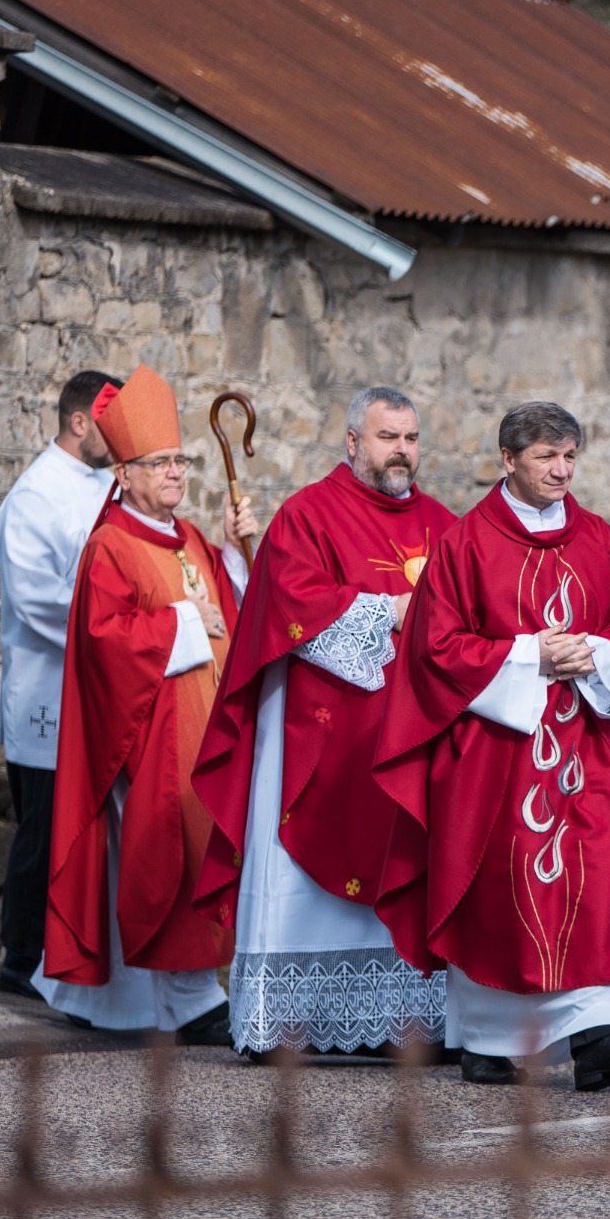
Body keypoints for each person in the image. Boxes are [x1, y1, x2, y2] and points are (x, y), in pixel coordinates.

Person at [373, 402, 610, 1087]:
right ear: (508, 460)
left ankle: (595, 1033)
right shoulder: (466, 544)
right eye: (546, 458)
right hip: (496, 753)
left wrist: (597, 653)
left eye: (569, 457)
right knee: (495, 887)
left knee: (587, 870)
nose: (561, 471)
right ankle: (491, 1041)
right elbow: (435, 649)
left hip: (582, 743)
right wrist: (531, 657)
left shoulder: (600, 541)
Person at [192, 388, 456, 1057]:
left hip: (412, 736)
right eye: (387, 436)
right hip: (326, 735)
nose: (402, 450)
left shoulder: (445, 525)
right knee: (305, 872)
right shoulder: (307, 515)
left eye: (411, 438)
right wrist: (390, 612)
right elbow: (292, 604)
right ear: (352, 442)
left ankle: (407, 1023)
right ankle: (287, 1023)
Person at [36, 366, 257, 1040]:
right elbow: (106, 641)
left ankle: (185, 991)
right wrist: (186, 623)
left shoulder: (189, 537)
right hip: (147, 735)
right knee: (172, 853)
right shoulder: (110, 545)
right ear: (124, 474)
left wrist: (236, 555)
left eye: (181, 461)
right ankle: (187, 999)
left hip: (202, 726)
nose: (176, 473)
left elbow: (230, 609)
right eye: (159, 464)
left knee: (208, 844)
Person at [0, 370, 119, 998]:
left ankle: (73, 951)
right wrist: (112, 634)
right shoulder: (35, 496)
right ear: (78, 423)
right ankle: (21, 956)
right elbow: (37, 598)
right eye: (109, 421)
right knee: (42, 825)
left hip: (93, 687)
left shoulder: (103, 484)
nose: (119, 434)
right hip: (48, 688)